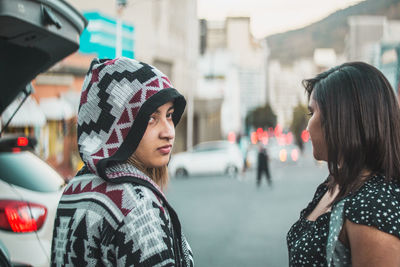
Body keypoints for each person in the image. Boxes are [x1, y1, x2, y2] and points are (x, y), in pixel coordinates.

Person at [51, 57, 194, 266]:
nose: (169, 132)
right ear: (118, 124)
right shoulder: (137, 204)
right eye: (151, 118)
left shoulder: (73, 190)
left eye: (170, 115)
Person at [287, 62, 400, 266]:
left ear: (341, 119)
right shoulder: (337, 180)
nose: (307, 126)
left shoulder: (372, 207)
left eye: (312, 114)